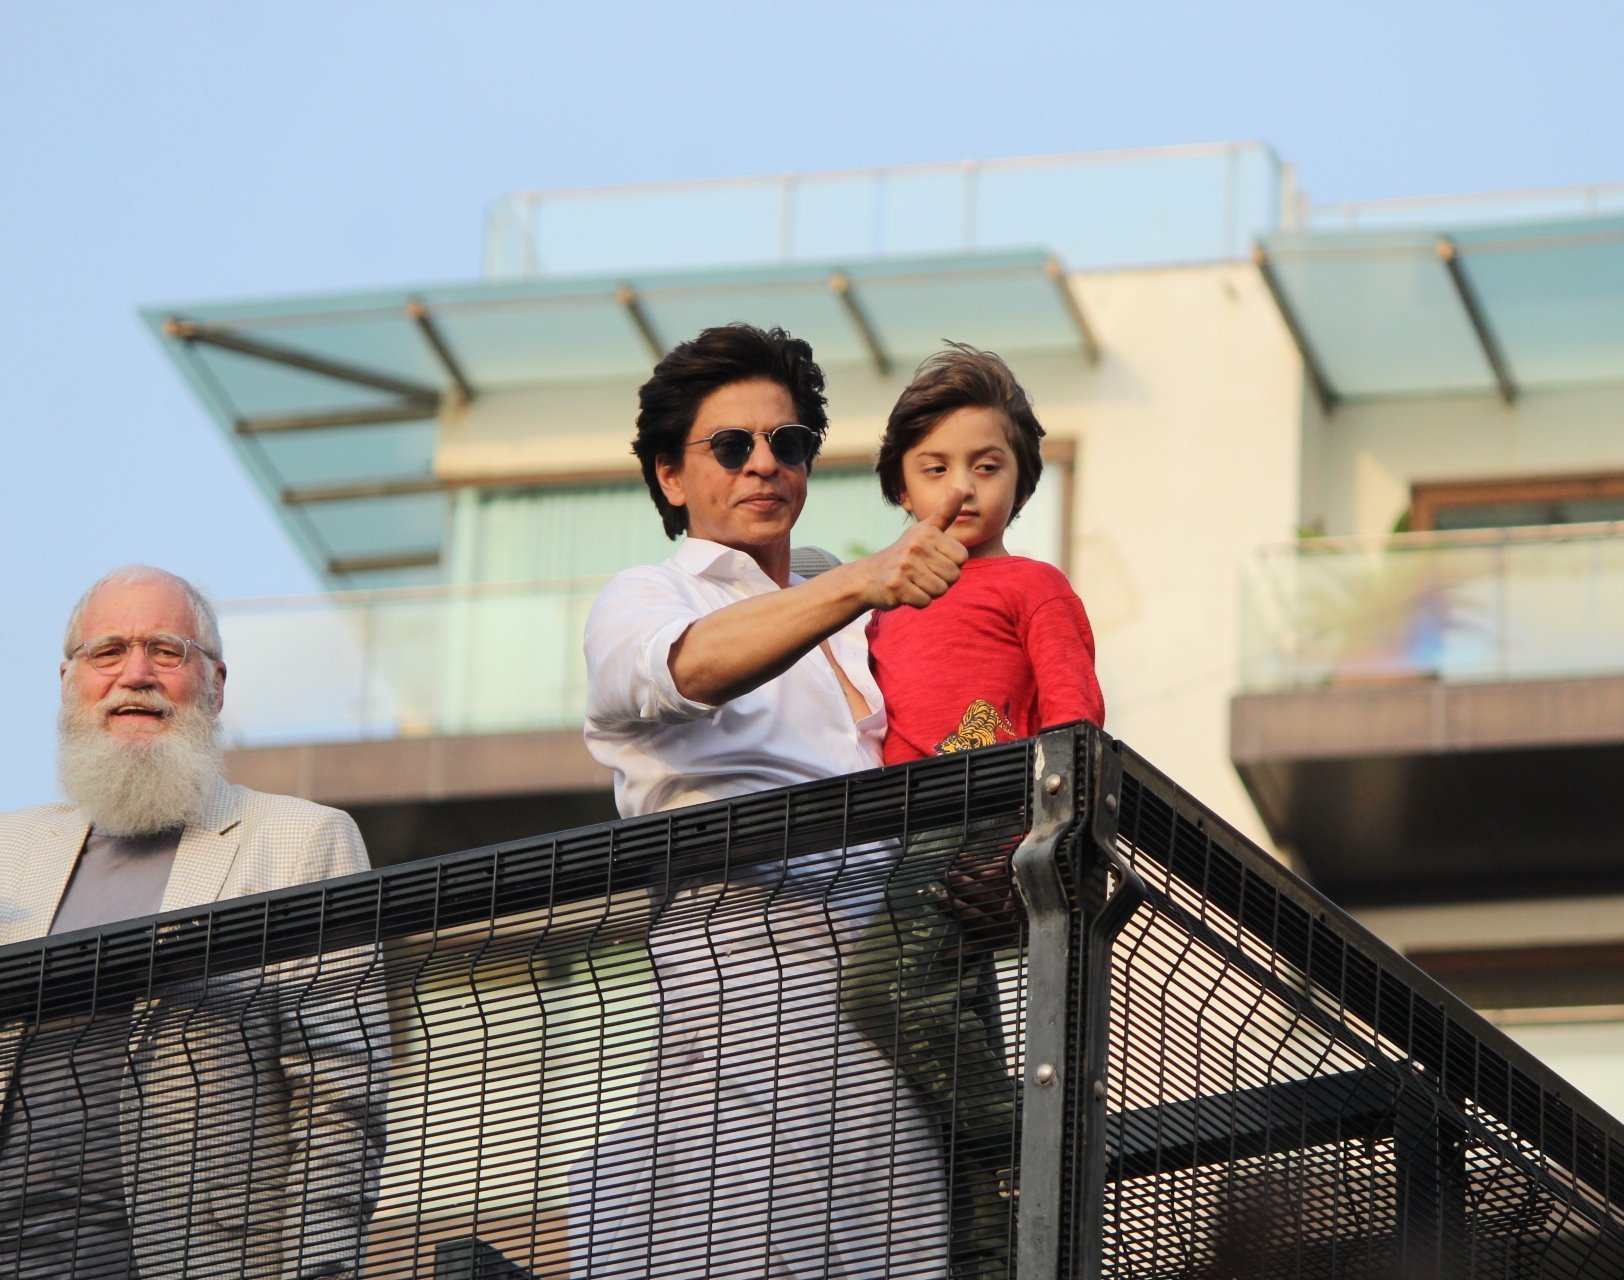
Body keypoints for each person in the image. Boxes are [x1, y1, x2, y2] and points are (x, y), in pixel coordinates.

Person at [576, 323, 971, 1278]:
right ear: (671, 476)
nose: (764, 464)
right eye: (730, 446)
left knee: (909, 1245)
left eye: (787, 442)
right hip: (741, 964)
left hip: (892, 975)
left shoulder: (851, 599)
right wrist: (862, 581)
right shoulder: (650, 592)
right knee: (733, 1242)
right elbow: (684, 668)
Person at [0, 565, 388, 1280]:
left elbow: (343, 1100)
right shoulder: (7, 853)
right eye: (107, 651)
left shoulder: (300, 840)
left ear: (215, 685)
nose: (136, 673)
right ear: (67, 681)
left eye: (167, 651)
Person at [852, 344, 1106, 1280]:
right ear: (901, 483)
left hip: (981, 828)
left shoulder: (1031, 586)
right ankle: (993, 1254)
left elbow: (1075, 712)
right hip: (895, 837)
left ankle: (1029, 1140)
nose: (962, 487)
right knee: (947, 1039)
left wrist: (1033, 840)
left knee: (878, 993)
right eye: (936, 467)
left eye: (985, 465)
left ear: (1020, 479)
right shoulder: (875, 603)